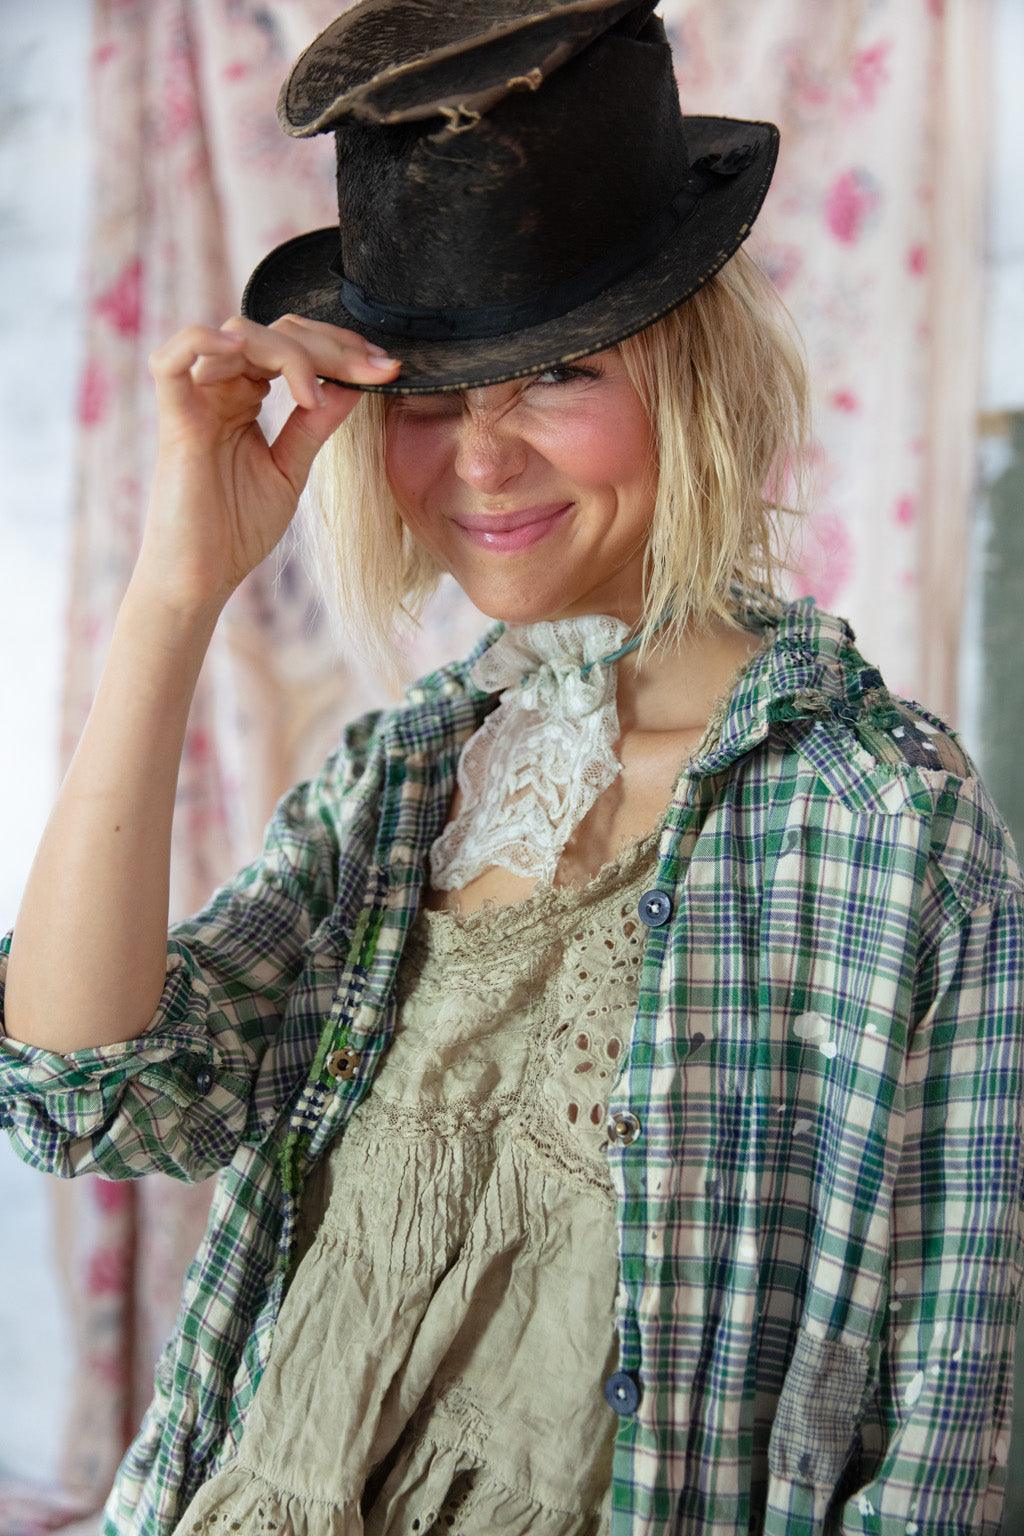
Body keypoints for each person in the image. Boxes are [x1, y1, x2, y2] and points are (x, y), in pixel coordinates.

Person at [1, 1, 1022, 1534]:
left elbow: (941, 1434)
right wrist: (173, 593)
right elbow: (84, 1093)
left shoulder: (891, 826)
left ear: (692, 376)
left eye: (557, 377)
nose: (478, 462)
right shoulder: (400, 785)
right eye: (423, 395)